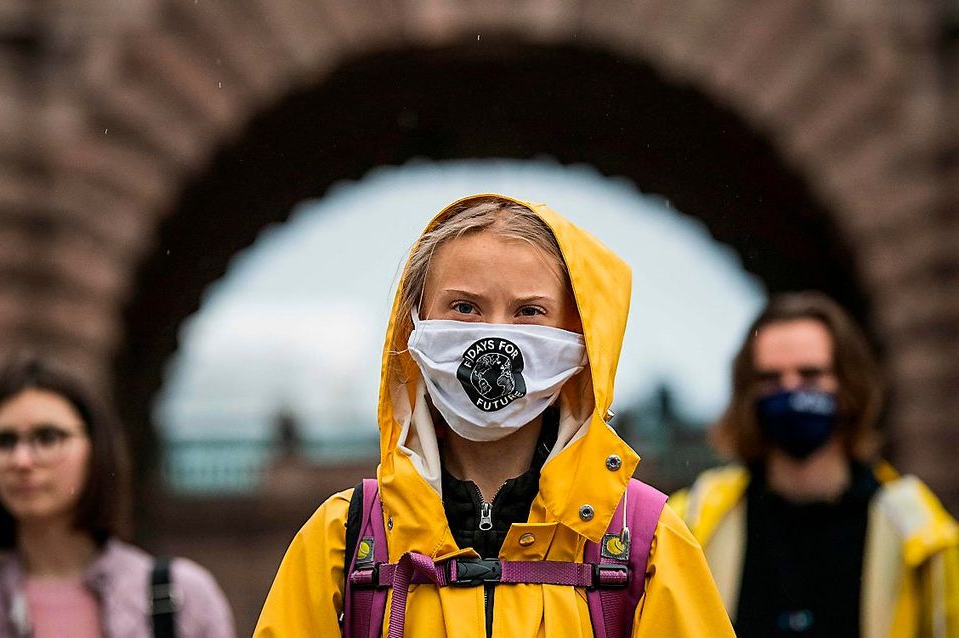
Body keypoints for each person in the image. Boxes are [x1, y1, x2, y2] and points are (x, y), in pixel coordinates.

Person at [254, 194, 735, 636]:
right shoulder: (344, 539)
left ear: (583, 338)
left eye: (529, 312)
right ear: (414, 323)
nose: (496, 338)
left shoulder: (644, 541)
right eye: (465, 307)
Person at [670, 291, 959, 637]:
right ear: (749, 392)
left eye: (810, 375)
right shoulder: (694, 524)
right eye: (771, 379)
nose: (791, 391)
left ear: (849, 385)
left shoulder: (920, 534)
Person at [0, 357, 236, 638]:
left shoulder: (181, 597)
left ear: (97, 449)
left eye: (47, 437)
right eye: (5, 441)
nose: (22, 460)